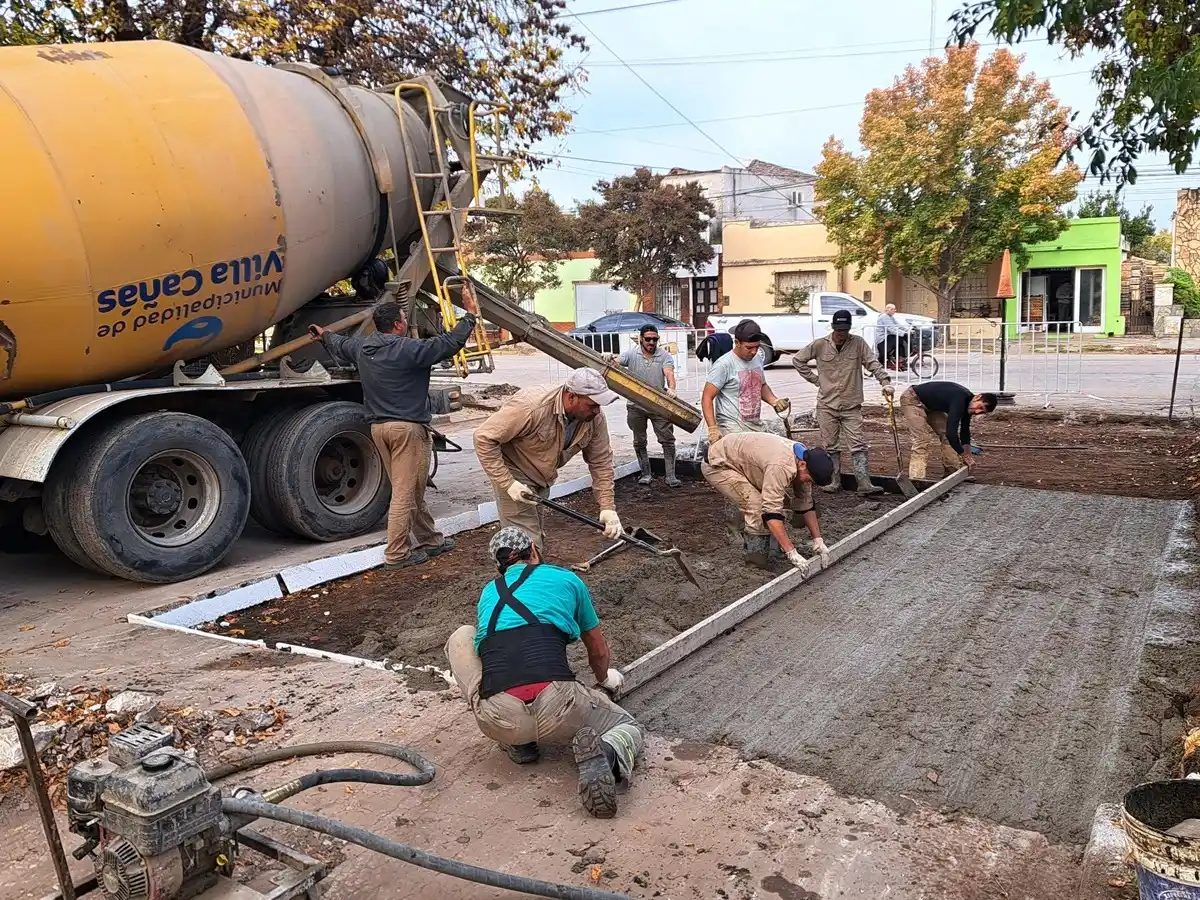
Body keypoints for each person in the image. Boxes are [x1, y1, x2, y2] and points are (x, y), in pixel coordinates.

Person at [444, 526, 644, 818]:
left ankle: (520, 743)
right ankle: (608, 754)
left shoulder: (489, 591)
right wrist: (604, 680)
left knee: (462, 636)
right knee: (629, 728)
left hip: (499, 718)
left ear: (499, 567)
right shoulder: (567, 579)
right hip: (559, 706)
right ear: (534, 551)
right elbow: (598, 651)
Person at [311, 291, 478, 569]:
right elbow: (450, 343)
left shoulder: (363, 348)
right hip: (407, 431)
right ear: (398, 325)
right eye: (403, 318)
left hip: (379, 429)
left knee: (411, 488)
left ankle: (431, 540)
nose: (405, 321)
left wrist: (324, 334)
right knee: (404, 493)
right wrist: (470, 315)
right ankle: (397, 554)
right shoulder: (409, 349)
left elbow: (341, 345)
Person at [474, 368, 623, 550]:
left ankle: (532, 571)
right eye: (593, 404)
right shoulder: (531, 407)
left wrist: (607, 507)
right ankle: (526, 574)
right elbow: (483, 437)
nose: (597, 410)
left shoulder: (594, 419)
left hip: (542, 476)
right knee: (526, 544)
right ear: (571, 397)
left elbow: (601, 462)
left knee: (535, 533)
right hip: (514, 470)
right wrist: (508, 483)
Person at [792, 309, 894, 495]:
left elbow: (872, 363)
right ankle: (834, 481)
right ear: (832, 328)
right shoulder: (820, 345)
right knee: (831, 445)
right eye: (838, 330)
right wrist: (816, 380)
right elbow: (798, 360)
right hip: (827, 405)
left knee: (858, 443)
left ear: (849, 329)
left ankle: (863, 482)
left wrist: (885, 382)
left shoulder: (858, 344)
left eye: (844, 331)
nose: (841, 335)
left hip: (851, 404)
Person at [702, 431, 836, 572]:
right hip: (718, 464)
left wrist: (818, 540)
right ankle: (755, 564)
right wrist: (792, 552)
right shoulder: (781, 465)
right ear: (802, 465)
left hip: (746, 461)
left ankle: (774, 551)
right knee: (756, 507)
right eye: (808, 479)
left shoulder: (804, 460)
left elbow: (805, 502)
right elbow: (770, 511)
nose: (806, 482)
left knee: (779, 502)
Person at [701, 318, 790, 446]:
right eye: (749, 348)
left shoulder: (757, 359)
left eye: (757, 347)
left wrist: (774, 401)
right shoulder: (724, 365)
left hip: (754, 425)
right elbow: (707, 397)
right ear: (737, 342)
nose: (754, 351)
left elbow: (761, 385)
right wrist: (713, 428)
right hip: (731, 429)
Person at [612, 324, 680, 488]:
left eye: (654, 339)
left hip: (658, 405)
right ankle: (645, 473)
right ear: (641, 338)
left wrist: (671, 388)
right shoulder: (631, 354)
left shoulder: (664, 356)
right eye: (648, 339)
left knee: (668, 440)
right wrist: (610, 358)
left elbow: (669, 373)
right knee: (639, 440)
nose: (651, 342)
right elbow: (617, 362)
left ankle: (671, 476)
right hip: (636, 406)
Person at [899, 382, 998, 480]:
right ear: (977, 397)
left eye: (981, 411)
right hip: (912, 399)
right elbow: (951, 433)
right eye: (980, 407)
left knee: (946, 436)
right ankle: (917, 479)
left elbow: (964, 431)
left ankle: (952, 472)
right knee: (922, 438)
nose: (977, 412)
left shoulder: (969, 404)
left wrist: (967, 454)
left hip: (932, 406)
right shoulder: (960, 400)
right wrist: (963, 454)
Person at [874, 304, 909, 368]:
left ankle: (899, 357)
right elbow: (891, 328)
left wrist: (908, 329)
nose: (894, 311)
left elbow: (898, 325)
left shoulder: (890, 317)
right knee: (899, 339)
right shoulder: (884, 317)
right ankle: (896, 357)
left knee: (900, 340)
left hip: (888, 336)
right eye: (892, 309)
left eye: (894, 309)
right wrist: (903, 333)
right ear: (886, 309)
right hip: (883, 338)